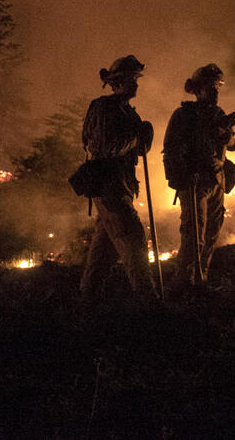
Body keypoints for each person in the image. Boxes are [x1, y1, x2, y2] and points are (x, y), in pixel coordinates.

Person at [80, 55, 156, 301]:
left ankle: (87, 301)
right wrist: (136, 136)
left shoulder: (127, 112)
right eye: (131, 79)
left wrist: (144, 136)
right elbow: (106, 146)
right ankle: (150, 303)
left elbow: (139, 149)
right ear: (117, 82)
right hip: (109, 187)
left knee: (103, 252)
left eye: (136, 79)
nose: (136, 84)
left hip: (121, 186)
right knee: (133, 239)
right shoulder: (104, 108)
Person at [163, 63, 235, 292]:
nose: (215, 91)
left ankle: (200, 279)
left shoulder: (218, 114)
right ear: (197, 90)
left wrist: (225, 135)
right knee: (194, 235)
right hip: (194, 183)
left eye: (217, 86)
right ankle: (183, 284)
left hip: (216, 180)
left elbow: (233, 145)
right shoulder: (184, 115)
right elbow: (170, 150)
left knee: (212, 232)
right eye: (210, 87)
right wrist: (181, 177)